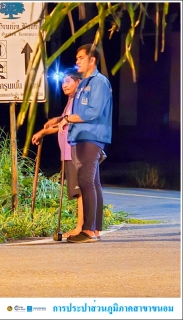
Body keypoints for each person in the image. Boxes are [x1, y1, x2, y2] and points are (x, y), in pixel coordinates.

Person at [58, 44, 113, 243]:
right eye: (77, 58)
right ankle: (94, 229)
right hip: (81, 136)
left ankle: (88, 230)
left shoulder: (99, 82)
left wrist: (69, 119)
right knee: (93, 183)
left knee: (85, 182)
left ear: (92, 61)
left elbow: (93, 112)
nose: (77, 61)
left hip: (91, 136)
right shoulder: (82, 84)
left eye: (81, 58)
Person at [32, 68, 83, 238]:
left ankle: (81, 227)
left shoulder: (77, 100)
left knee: (80, 191)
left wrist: (44, 132)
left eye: (68, 81)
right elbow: (63, 122)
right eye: (63, 82)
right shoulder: (71, 100)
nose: (64, 85)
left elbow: (69, 122)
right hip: (67, 152)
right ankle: (82, 226)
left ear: (78, 82)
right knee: (77, 192)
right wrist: (54, 122)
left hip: (74, 150)